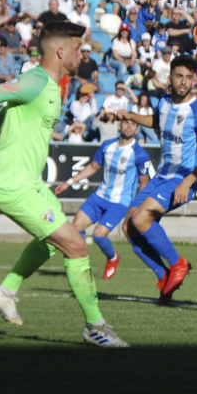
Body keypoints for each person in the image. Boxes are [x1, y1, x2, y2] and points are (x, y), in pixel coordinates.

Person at [0, 22, 127, 347]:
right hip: (11, 185)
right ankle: (95, 327)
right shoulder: (35, 81)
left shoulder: (51, 87)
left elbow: (2, 115)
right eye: (77, 50)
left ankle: (6, 292)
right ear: (61, 52)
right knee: (75, 245)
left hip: (29, 183)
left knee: (51, 241)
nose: (81, 55)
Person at [117, 54, 197, 306]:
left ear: (194, 80)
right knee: (128, 227)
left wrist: (187, 182)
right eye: (179, 76)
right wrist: (129, 115)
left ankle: (177, 264)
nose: (183, 82)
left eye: (188, 78)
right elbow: (157, 123)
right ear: (169, 77)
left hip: (183, 178)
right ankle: (164, 276)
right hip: (161, 176)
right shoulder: (163, 101)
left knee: (141, 218)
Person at [53, 117, 151, 280]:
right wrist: (69, 182)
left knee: (99, 235)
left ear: (136, 130)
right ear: (119, 125)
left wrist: (138, 208)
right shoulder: (107, 146)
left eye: (133, 124)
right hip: (99, 197)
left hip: (120, 202)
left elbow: (144, 183)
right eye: (126, 122)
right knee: (75, 228)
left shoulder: (140, 154)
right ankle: (79, 268)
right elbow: (93, 167)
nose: (129, 126)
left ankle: (113, 258)